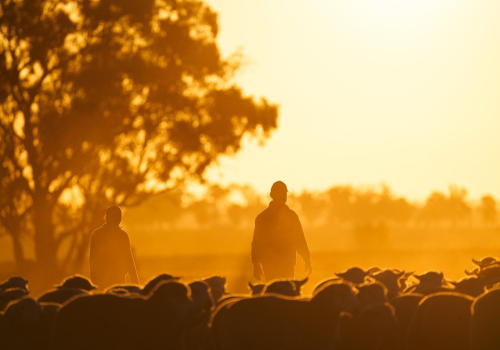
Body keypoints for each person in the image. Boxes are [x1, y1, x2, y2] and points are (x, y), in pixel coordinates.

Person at [251, 181, 312, 281]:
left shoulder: (292, 216)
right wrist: (256, 264)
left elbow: (299, 239)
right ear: (272, 195)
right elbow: (257, 243)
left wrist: (307, 259)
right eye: (280, 193)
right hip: (270, 265)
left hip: (288, 265)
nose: (283, 196)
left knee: (288, 293)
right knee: (273, 293)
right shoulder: (263, 218)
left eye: (285, 193)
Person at [89, 205, 139, 289]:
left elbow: (129, 259)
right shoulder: (97, 234)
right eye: (113, 216)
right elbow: (93, 260)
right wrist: (94, 282)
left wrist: (135, 283)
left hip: (119, 279)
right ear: (107, 217)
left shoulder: (123, 235)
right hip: (102, 280)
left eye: (118, 216)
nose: (116, 218)